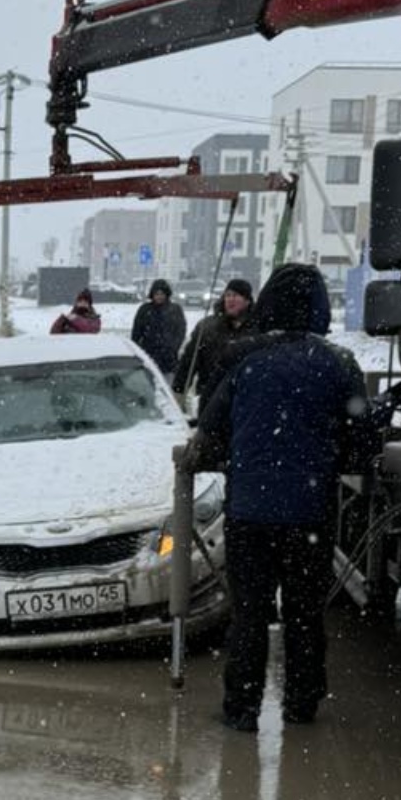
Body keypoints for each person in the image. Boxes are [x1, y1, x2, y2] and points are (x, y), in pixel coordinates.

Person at [188, 261, 372, 734]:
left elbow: (209, 432)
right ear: (319, 309)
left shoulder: (243, 359)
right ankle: (301, 704)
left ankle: (241, 709)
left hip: (249, 511)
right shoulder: (338, 364)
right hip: (309, 514)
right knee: (304, 614)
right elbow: (362, 443)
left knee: (249, 614)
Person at [172, 276, 254, 408]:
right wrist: (179, 392)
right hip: (210, 398)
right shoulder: (207, 327)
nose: (230, 299)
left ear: (247, 301)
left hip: (244, 400)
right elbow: (188, 362)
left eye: (236, 296)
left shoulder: (257, 330)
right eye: (228, 295)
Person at [130, 278, 187, 382]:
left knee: (166, 387)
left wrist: (173, 347)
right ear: (152, 294)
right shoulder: (145, 310)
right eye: (157, 293)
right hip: (148, 356)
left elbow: (180, 331)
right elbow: (137, 332)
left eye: (162, 293)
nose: (159, 296)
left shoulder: (175, 310)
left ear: (167, 294)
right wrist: (138, 350)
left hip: (168, 359)